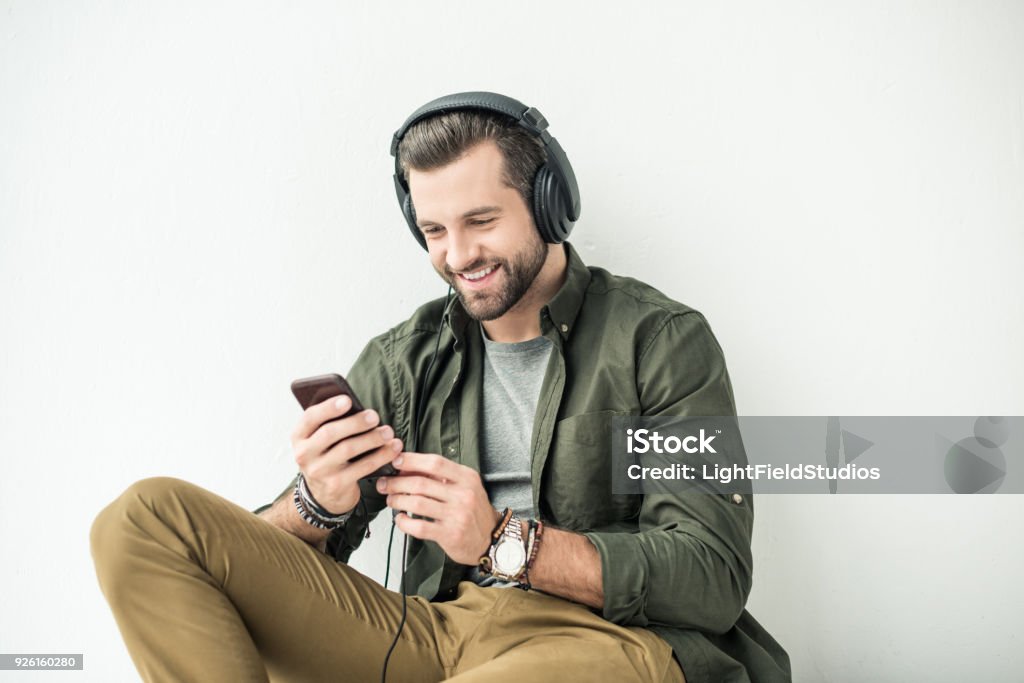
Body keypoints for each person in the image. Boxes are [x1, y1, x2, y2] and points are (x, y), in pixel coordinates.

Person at [90, 92, 791, 682]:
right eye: (434, 229)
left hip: (605, 640)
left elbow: (712, 573)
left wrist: (500, 541)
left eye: (482, 221)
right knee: (143, 521)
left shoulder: (660, 341)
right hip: (434, 632)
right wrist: (318, 505)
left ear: (549, 204)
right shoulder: (404, 359)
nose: (457, 255)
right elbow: (270, 565)